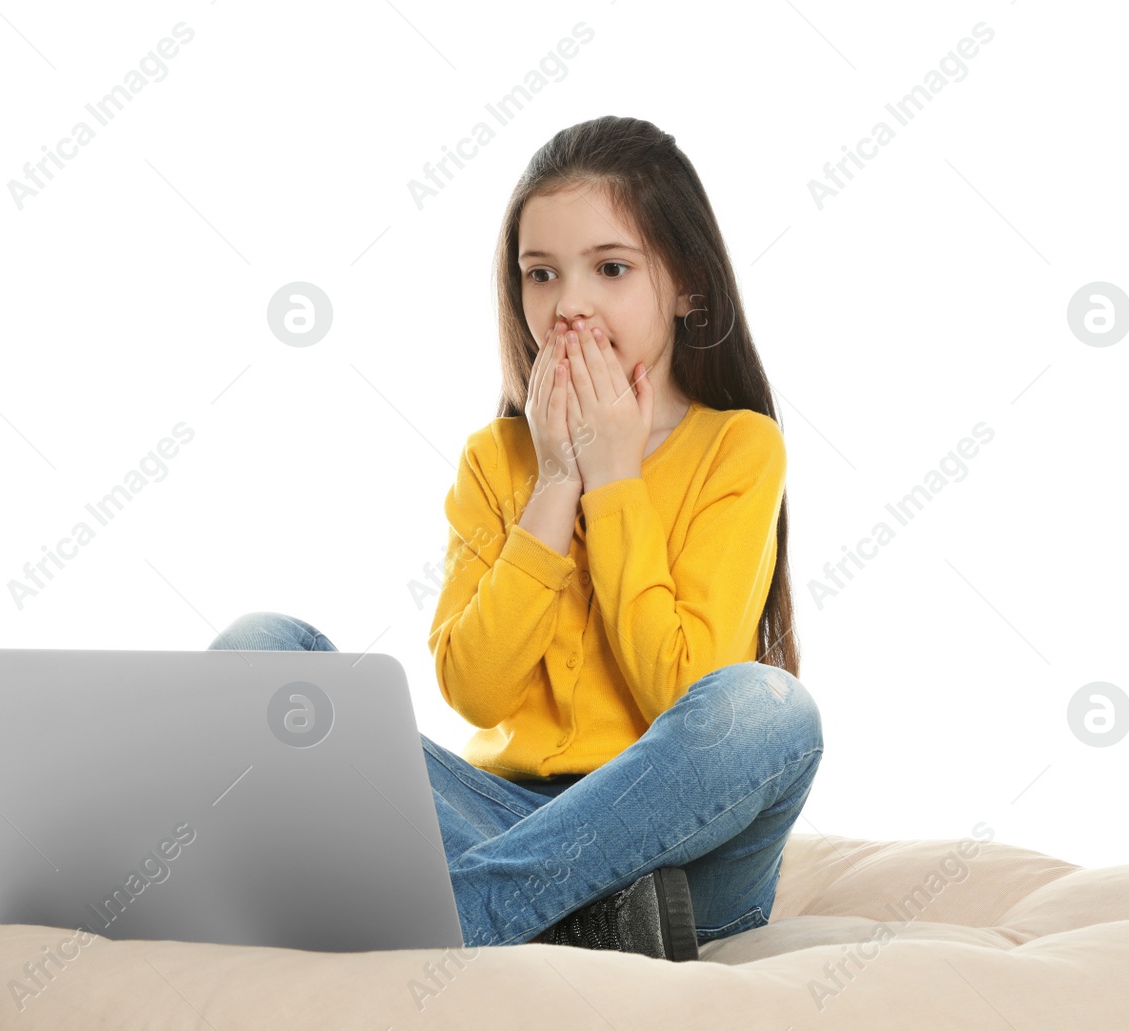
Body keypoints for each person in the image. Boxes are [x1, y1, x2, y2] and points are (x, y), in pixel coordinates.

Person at [210, 115, 822, 961]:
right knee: (260, 648)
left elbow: (678, 693)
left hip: (680, 860)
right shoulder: (494, 461)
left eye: (611, 268)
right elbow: (477, 690)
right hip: (499, 814)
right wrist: (557, 480)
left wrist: (614, 478)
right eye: (542, 274)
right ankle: (571, 918)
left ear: (686, 285)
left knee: (770, 708)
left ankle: (451, 912)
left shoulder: (741, 447)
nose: (569, 304)